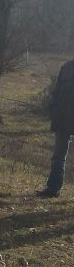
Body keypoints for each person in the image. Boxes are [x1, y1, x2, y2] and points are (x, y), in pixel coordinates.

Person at [37, 58, 74, 198]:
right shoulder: (66, 67)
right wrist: (53, 110)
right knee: (58, 156)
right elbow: (56, 92)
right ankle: (53, 189)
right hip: (62, 120)